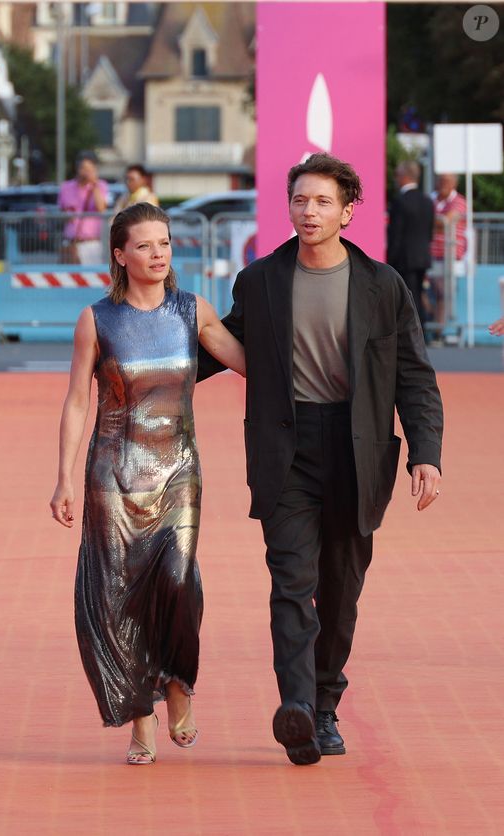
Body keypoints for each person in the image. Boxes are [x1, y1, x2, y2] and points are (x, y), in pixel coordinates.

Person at [198, 153, 444, 766]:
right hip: (286, 448)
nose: (308, 212)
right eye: (300, 201)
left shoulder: (384, 286)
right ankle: (299, 710)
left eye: (322, 202)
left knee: (339, 589)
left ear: (348, 211)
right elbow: (228, 343)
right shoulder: (260, 280)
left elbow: (413, 377)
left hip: (357, 449)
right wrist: (145, 363)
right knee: (291, 581)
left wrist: (426, 453)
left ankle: (327, 704)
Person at [50, 203, 244, 766]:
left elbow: (249, 362)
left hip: (179, 470)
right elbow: (77, 401)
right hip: (112, 474)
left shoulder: (192, 310)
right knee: (121, 598)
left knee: (179, 580)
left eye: (164, 243)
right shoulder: (97, 320)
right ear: (120, 254)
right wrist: (63, 478)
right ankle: (141, 720)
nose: (158, 254)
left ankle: (179, 686)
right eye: (145, 245)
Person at [387, 160, 434, 326]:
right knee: (418, 294)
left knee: (407, 297)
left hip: (404, 259)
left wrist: (390, 260)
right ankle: (420, 331)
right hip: (422, 257)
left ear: (403, 176)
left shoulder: (400, 202)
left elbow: (396, 234)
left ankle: (413, 334)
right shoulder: (427, 201)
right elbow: (429, 232)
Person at [426, 173, 468, 339]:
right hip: (428, 253)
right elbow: (440, 222)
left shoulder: (459, 201)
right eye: (441, 180)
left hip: (448, 255)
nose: (442, 184)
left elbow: (447, 222)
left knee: (442, 292)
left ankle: (437, 330)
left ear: (454, 184)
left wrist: (428, 221)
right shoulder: (431, 198)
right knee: (422, 290)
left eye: (446, 181)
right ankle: (432, 321)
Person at [58, 151, 109, 265]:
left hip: (91, 243)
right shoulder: (66, 187)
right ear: (77, 168)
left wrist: (94, 185)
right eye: (83, 168)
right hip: (70, 242)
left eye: (90, 169)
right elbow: (61, 211)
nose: (86, 172)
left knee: (92, 278)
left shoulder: (101, 186)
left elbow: (101, 209)